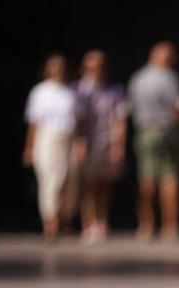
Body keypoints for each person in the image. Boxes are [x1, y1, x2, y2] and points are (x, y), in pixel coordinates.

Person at [128, 42, 179, 240]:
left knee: (146, 179)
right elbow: (177, 108)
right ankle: (170, 225)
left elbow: (130, 107)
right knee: (169, 178)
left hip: (144, 130)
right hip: (165, 130)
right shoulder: (169, 77)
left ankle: (146, 225)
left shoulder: (138, 78)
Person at [23, 54, 79, 242]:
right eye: (54, 67)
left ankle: (64, 220)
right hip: (47, 138)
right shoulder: (40, 92)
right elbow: (34, 122)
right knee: (50, 180)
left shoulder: (71, 91)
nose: (58, 70)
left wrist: (79, 143)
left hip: (68, 138)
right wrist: (29, 147)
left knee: (68, 179)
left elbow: (78, 121)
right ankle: (50, 223)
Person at [74, 50, 127, 244]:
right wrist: (79, 142)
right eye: (92, 66)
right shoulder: (79, 90)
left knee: (105, 185)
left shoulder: (114, 90)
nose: (96, 70)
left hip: (107, 143)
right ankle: (88, 224)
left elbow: (120, 119)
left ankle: (102, 221)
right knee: (88, 185)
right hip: (88, 143)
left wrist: (118, 144)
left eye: (100, 66)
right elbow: (77, 120)